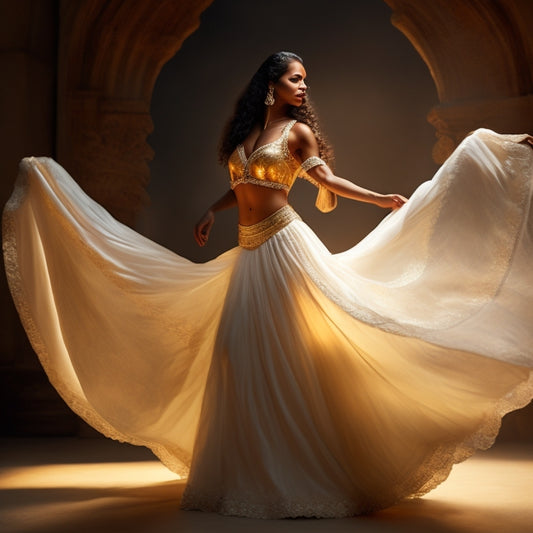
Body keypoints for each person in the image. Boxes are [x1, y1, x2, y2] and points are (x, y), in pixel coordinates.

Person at [3, 51, 533, 520]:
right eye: (296, 78)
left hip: (283, 247)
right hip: (249, 252)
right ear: (271, 84)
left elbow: (323, 182)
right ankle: (245, 473)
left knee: (293, 354)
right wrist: (213, 209)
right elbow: (245, 185)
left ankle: (304, 473)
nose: (304, 87)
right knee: (237, 355)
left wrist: (378, 200)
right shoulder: (247, 136)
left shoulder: (296, 134)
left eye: (306, 80)